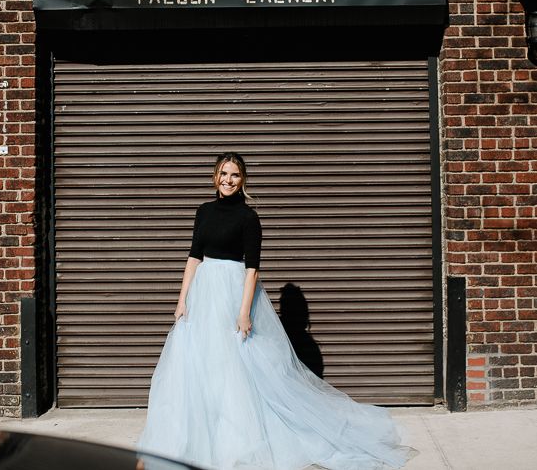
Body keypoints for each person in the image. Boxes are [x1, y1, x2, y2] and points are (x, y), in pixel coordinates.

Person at [137, 152, 415, 470]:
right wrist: (182, 299)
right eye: (224, 173)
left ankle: (235, 444)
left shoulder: (248, 218)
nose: (228, 180)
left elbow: (252, 269)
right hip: (203, 296)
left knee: (235, 370)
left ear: (243, 181)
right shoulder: (203, 212)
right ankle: (199, 438)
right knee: (200, 367)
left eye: (235, 175)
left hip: (232, 294)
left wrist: (244, 312)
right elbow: (193, 257)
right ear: (215, 176)